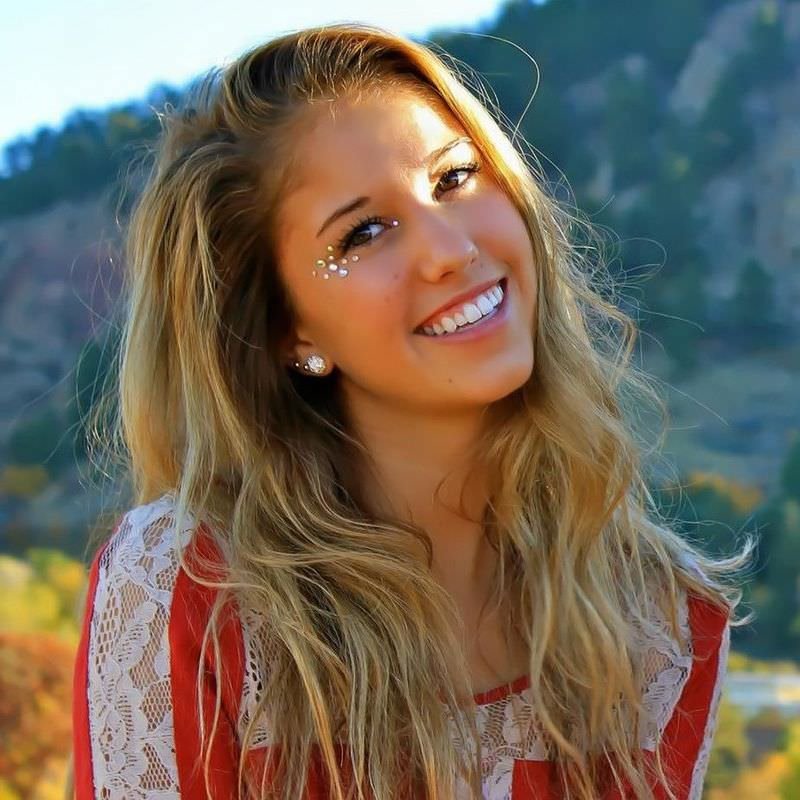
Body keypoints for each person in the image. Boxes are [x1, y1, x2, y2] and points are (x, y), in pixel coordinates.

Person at [70, 22, 751, 800]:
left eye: (455, 178)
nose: (451, 248)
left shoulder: (662, 623)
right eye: (364, 233)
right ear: (288, 330)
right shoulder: (188, 590)